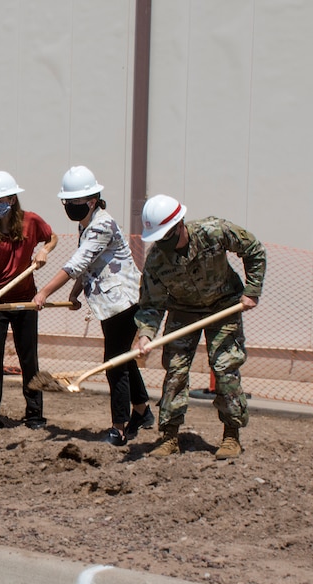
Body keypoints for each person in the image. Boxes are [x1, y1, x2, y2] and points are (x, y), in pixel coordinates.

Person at [133, 194, 266, 459]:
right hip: (183, 310)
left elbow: (253, 249)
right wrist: (145, 335)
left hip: (224, 306)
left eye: (168, 236)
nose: (164, 243)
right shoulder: (156, 259)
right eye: (159, 238)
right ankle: (170, 436)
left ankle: (231, 436)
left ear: (180, 223)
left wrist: (252, 290)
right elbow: (151, 304)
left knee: (225, 369)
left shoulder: (213, 232)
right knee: (175, 372)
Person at [33, 166, 153, 446]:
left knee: (114, 365)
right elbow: (87, 265)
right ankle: (142, 411)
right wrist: (75, 294)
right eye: (67, 203)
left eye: (75, 202)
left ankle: (119, 428)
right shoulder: (85, 223)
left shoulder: (101, 224)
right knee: (122, 357)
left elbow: (76, 263)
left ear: (91, 200)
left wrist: (45, 293)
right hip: (108, 304)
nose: (70, 207)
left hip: (124, 303)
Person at [0, 171, 58, 432]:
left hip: (26, 301)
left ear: (11, 198)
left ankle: (35, 415)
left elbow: (51, 237)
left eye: (0, 199)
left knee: (29, 359)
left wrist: (44, 250)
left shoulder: (31, 222)